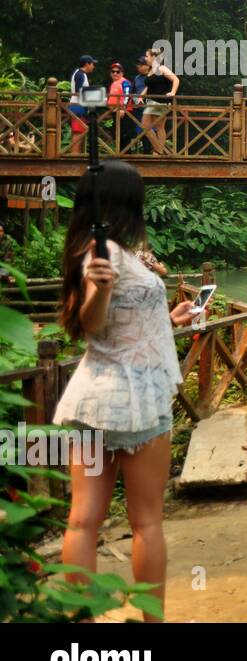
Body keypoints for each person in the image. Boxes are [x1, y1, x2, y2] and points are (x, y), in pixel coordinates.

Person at [55, 161, 196, 622]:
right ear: (126, 204)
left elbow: (119, 324)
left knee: (83, 519)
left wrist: (168, 319)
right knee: (147, 521)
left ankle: (80, 622)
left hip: (93, 399)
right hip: (138, 402)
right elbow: (89, 324)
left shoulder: (93, 249)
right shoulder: (107, 255)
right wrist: (97, 293)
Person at [141, 48, 179, 154]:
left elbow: (175, 79)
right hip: (151, 101)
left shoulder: (162, 68)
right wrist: (141, 96)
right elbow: (150, 86)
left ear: (153, 57)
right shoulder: (151, 70)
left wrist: (173, 93)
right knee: (155, 127)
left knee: (153, 127)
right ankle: (159, 151)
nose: (145, 58)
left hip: (160, 102)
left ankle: (158, 151)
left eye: (147, 56)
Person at [68, 55, 97, 156]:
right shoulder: (80, 74)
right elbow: (79, 91)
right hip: (77, 105)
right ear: (87, 64)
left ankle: (77, 154)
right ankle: (74, 155)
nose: (93, 66)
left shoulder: (80, 73)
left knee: (80, 131)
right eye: (92, 64)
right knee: (77, 132)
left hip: (79, 105)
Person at [124, 57, 150, 152]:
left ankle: (151, 152)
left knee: (151, 129)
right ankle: (144, 152)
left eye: (142, 65)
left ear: (148, 66)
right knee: (141, 129)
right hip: (139, 108)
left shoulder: (153, 76)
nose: (140, 67)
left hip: (151, 106)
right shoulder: (137, 78)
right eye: (138, 66)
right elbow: (132, 92)